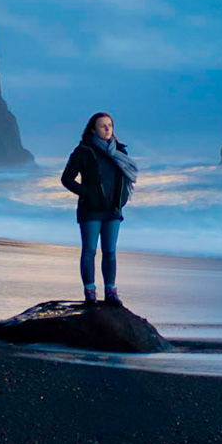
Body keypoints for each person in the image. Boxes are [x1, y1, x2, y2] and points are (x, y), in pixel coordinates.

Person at [59, 111, 137, 305]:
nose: (108, 128)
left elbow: (125, 179)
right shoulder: (83, 151)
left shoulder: (119, 152)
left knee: (110, 251)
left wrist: (122, 199)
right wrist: (86, 193)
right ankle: (90, 292)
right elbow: (67, 179)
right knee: (90, 251)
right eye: (103, 125)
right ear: (93, 129)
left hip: (113, 211)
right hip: (90, 210)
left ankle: (111, 291)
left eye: (110, 125)